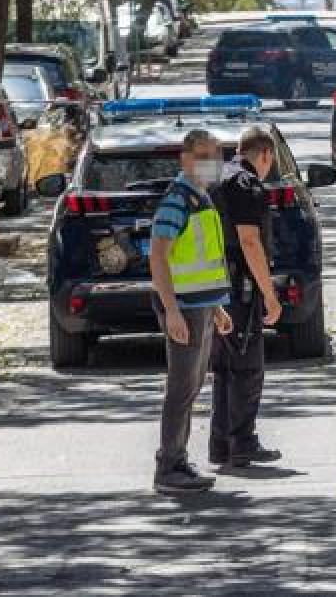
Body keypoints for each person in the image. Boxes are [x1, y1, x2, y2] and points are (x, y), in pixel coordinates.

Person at [148, 129, 233, 493]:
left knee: (192, 385)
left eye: (214, 156)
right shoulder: (178, 200)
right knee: (181, 388)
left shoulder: (201, 198)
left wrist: (215, 308)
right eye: (201, 155)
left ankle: (177, 459)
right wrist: (172, 311)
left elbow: (203, 262)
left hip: (200, 308)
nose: (209, 163)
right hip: (184, 309)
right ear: (184, 158)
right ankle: (169, 466)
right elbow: (158, 256)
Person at [208, 126, 283, 468]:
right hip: (239, 286)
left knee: (224, 367)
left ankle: (220, 443)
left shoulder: (212, 175)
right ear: (264, 154)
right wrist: (270, 295)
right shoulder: (246, 185)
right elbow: (250, 241)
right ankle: (242, 442)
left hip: (209, 284)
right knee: (247, 366)